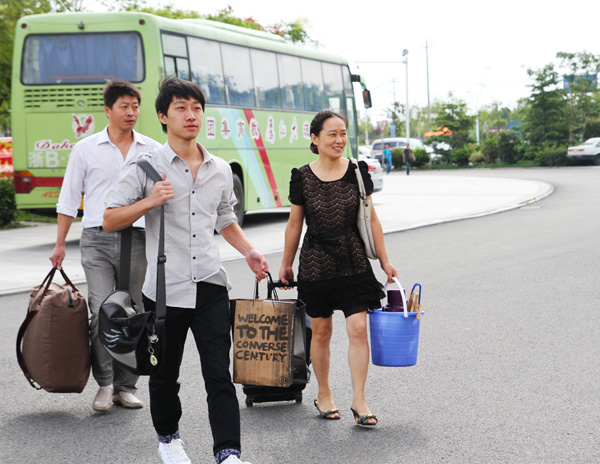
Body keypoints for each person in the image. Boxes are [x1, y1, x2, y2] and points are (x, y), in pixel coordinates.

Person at [103, 77, 267, 464]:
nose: (191, 115)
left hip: (210, 284)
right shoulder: (145, 167)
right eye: (181, 108)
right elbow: (109, 219)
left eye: (196, 108)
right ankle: (169, 440)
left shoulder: (220, 169)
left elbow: (225, 218)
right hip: (165, 291)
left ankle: (228, 452)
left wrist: (249, 251)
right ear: (163, 116)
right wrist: (148, 202)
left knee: (219, 375)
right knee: (164, 375)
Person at [278, 110, 397, 427]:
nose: (339, 139)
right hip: (316, 265)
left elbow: (371, 219)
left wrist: (384, 260)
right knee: (321, 332)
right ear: (315, 139)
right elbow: (294, 224)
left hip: (353, 260)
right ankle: (324, 393)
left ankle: (359, 400)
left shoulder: (357, 171)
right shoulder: (302, 177)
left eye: (343, 133)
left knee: (358, 329)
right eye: (332, 134)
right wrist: (286, 263)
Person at [50, 80, 162, 413]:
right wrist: (59, 244)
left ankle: (126, 386)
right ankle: (105, 383)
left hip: (136, 239)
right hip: (96, 239)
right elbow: (69, 198)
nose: (131, 112)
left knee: (131, 312)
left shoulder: (152, 149)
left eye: (135, 106)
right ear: (108, 110)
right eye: (124, 106)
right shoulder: (86, 148)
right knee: (102, 311)